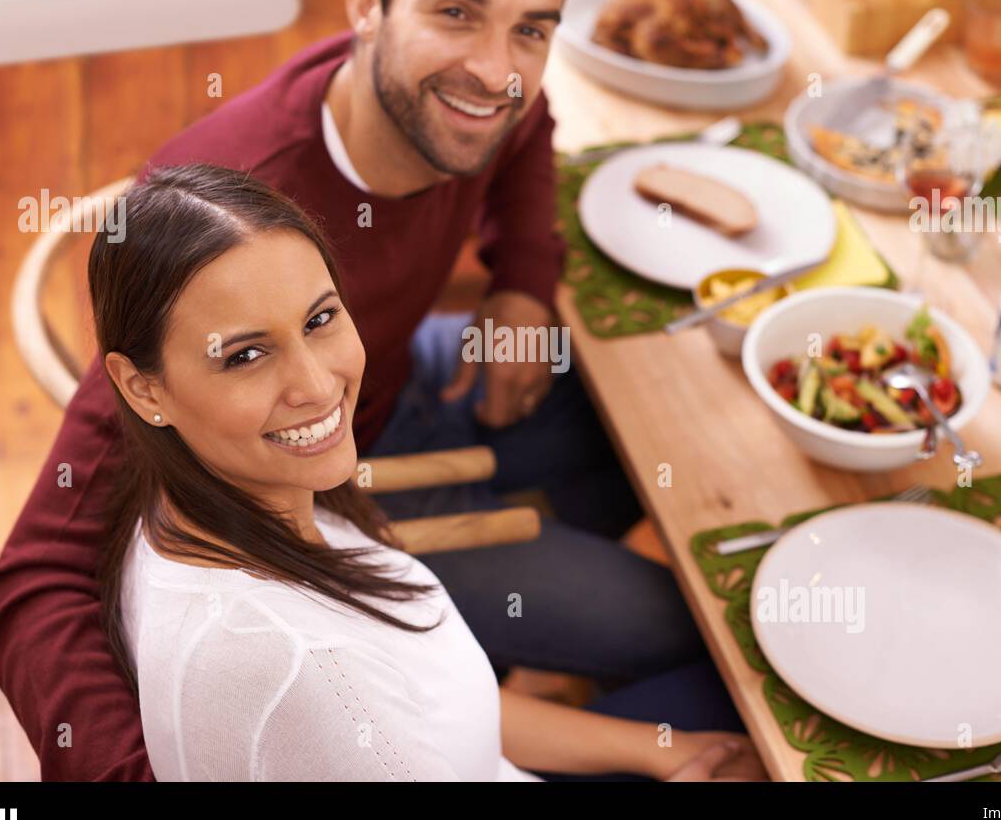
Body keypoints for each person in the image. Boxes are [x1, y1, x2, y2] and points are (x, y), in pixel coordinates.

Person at [0, 0, 710, 780]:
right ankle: (493, 680)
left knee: (664, 423)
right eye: (455, 13)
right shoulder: (250, 207)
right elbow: (34, 582)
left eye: (530, 30)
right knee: (689, 625)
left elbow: (528, 121)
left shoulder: (474, 97)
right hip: (316, 482)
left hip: (393, 386)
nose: (494, 70)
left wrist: (522, 283)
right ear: (367, 1)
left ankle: (500, 682)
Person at [96, 164, 763, 780]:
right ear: (142, 387)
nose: (316, 383)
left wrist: (664, 748)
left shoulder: (204, 496)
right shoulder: (302, 673)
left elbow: (446, 711)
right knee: (754, 681)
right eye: (245, 355)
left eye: (320, 318)